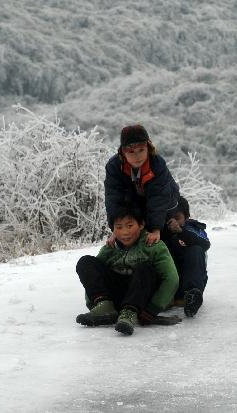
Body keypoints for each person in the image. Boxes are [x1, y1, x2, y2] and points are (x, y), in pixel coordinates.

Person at [75, 205, 180, 335]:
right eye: (119, 227)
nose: (124, 232)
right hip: (118, 297)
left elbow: (171, 279)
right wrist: (94, 303)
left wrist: (152, 309)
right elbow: (94, 277)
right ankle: (105, 307)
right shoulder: (110, 248)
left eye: (130, 226)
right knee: (86, 262)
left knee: (145, 269)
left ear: (141, 225)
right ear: (113, 229)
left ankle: (129, 313)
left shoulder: (153, 245)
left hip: (142, 300)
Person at [104, 124, 179, 248]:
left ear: (148, 149)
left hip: (166, 205)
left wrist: (155, 229)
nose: (137, 156)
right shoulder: (114, 167)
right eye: (131, 152)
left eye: (141, 150)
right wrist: (116, 229)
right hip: (137, 204)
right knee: (127, 240)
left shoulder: (157, 165)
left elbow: (159, 198)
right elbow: (114, 199)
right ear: (123, 152)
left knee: (163, 240)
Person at [163, 196, 210, 317]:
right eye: (169, 218)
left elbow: (205, 244)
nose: (173, 222)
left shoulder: (193, 228)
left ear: (186, 217)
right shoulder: (160, 231)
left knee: (196, 249)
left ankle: (192, 296)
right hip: (170, 282)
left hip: (191, 282)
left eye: (177, 218)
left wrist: (180, 232)